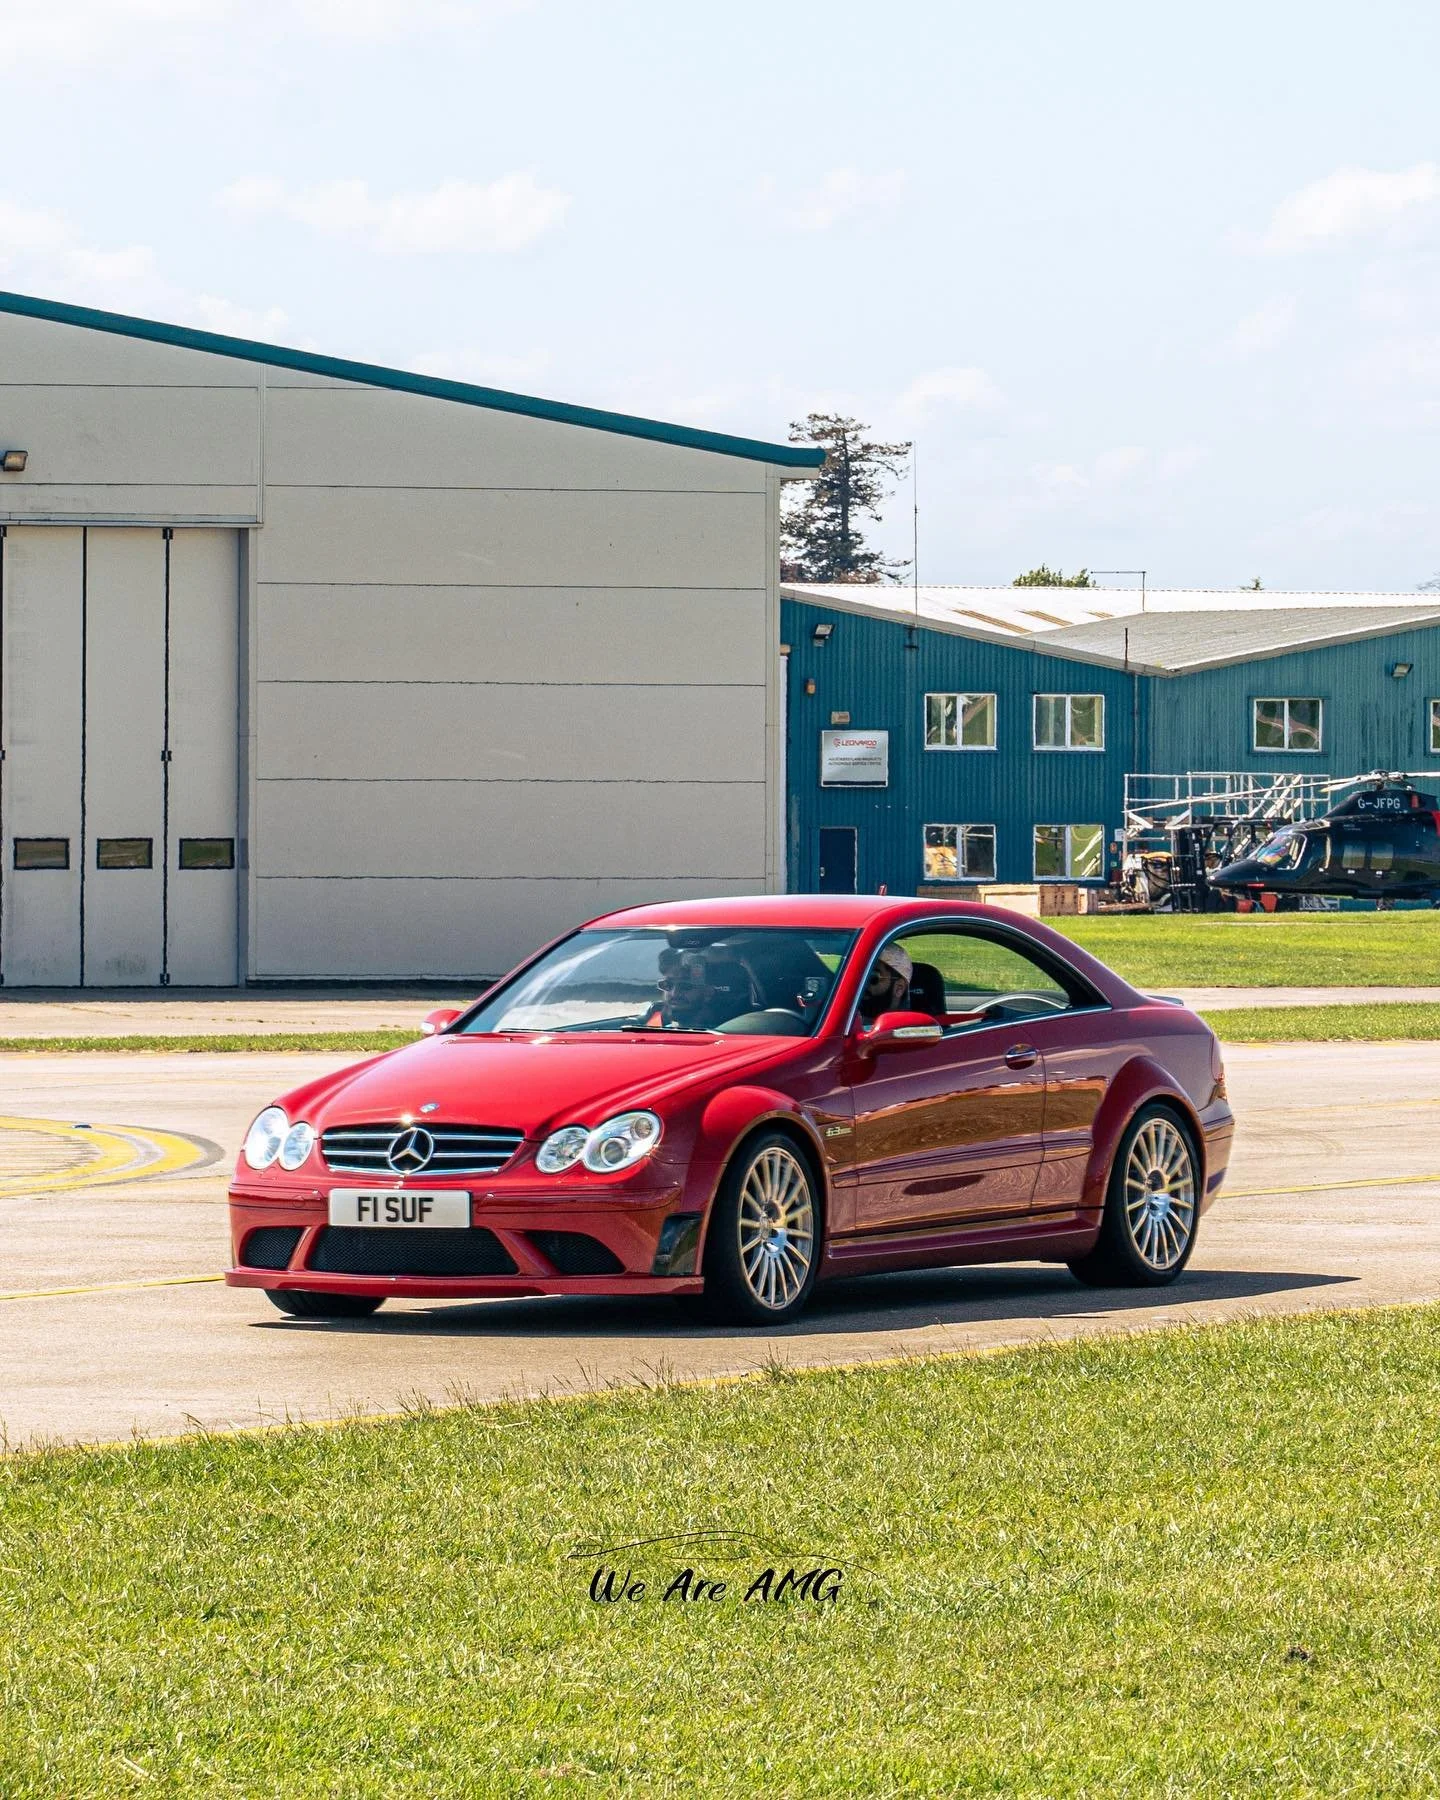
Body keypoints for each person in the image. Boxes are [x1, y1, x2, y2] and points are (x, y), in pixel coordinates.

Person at [857, 942, 912, 1023]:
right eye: (859, 975)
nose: (862, 984)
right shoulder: (845, 1023)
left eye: (873, 977)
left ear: (899, 988)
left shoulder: (907, 1032)